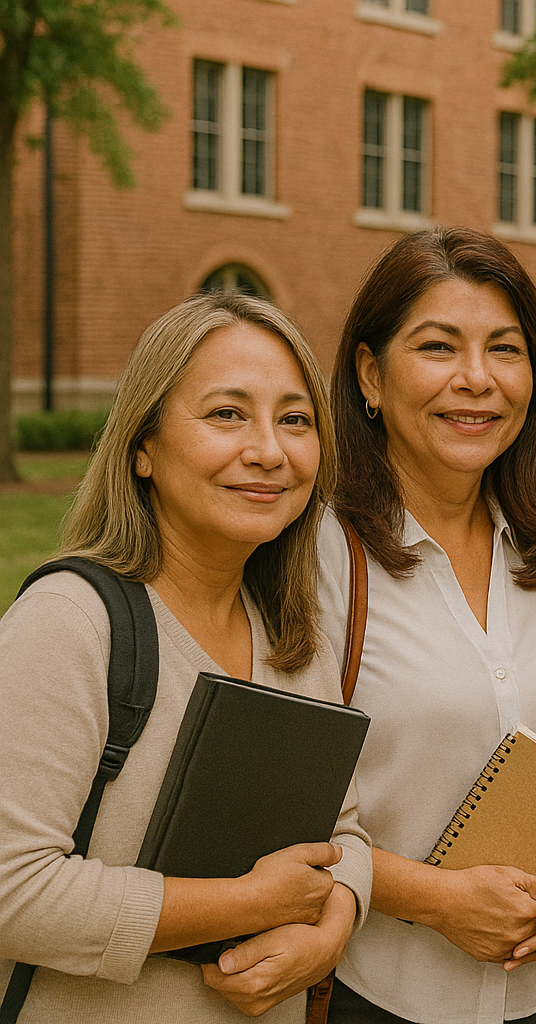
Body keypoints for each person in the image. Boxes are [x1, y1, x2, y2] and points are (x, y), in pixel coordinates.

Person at [0, 292, 371, 1022]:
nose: (268, 450)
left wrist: (336, 922)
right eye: (227, 414)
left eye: (294, 420)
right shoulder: (71, 624)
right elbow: (12, 887)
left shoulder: (297, 638)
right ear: (144, 445)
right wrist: (243, 904)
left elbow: (344, 831)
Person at [317, 228, 536, 1024]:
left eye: (505, 350)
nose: (477, 380)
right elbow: (276, 816)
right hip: (374, 996)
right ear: (370, 375)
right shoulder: (319, 561)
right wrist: (438, 899)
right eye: (439, 347)